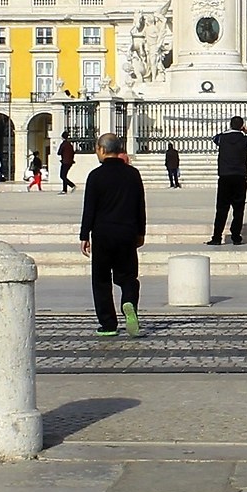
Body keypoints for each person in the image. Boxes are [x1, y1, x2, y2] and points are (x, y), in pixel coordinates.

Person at [79, 133, 147, 338]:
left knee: (101, 280)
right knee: (128, 277)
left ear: (101, 149)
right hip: (127, 233)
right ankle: (128, 302)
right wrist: (141, 232)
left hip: (103, 233)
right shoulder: (132, 174)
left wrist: (84, 235)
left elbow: (89, 208)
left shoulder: (95, 176)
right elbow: (140, 206)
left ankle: (108, 324)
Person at [209, 115, 247, 244]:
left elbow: (214, 138)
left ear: (231, 125)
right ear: (242, 126)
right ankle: (236, 236)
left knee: (221, 209)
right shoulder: (245, 139)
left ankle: (217, 237)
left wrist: (229, 130)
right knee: (238, 209)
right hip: (240, 176)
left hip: (225, 176)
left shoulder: (222, 138)